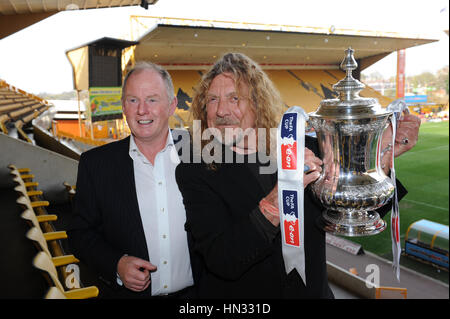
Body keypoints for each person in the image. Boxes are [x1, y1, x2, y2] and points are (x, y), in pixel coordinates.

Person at [175, 52, 420, 298]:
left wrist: (382, 157)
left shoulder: (307, 148)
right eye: (212, 99)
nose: (221, 111)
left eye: (234, 98)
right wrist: (282, 192)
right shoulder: (196, 169)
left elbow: (352, 213)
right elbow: (222, 260)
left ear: (258, 103)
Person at [67, 62, 194, 298]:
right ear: (124, 106)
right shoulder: (96, 165)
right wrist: (116, 263)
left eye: (153, 100)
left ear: (172, 106)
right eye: (133, 100)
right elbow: (80, 233)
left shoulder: (200, 156)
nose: (142, 110)